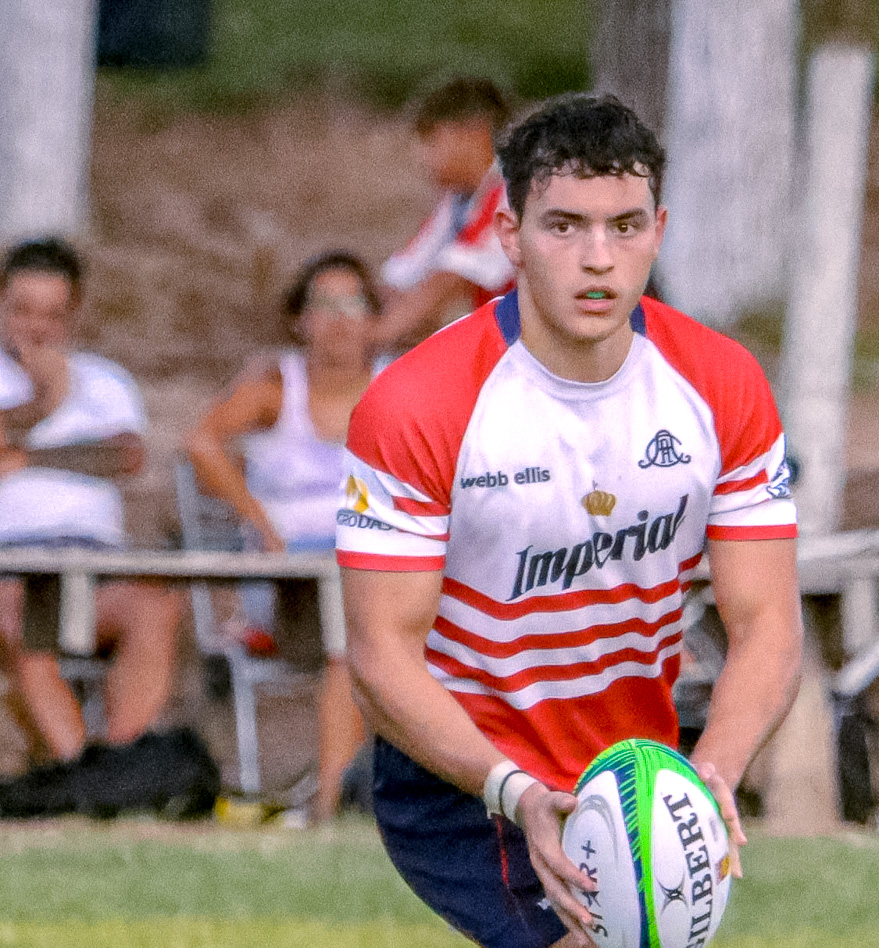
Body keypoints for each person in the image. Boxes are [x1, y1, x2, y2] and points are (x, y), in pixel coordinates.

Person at [340, 94, 802, 948]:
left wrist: (714, 776)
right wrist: (514, 795)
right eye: (562, 227)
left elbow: (766, 622)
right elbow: (377, 653)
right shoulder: (421, 402)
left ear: (656, 230)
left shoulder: (715, 386)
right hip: (469, 789)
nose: (595, 259)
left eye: (622, 227)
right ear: (507, 233)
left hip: (630, 780)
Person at [186, 253, 379, 821]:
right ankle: (327, 806)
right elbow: (202, 443)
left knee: (368, 622)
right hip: (291, 582)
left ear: (373, 318)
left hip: (371, 569)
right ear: (300, 319)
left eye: (354, 304)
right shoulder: (278, 387)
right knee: (358, 636)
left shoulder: (397, 384)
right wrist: (260, 523)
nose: (341, 320)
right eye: (325, 304)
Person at [0, 237, 180, 762]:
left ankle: (120, 765)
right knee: (19, 624)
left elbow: (123, 457)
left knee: (155, 609)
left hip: (95, 563)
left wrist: (25, 456)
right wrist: (43, 402)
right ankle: (79, 772)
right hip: (12, 565)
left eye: (53, 315)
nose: (37, 327)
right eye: (24, 310)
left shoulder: (104, 380)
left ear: (73, 316)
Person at [373, 78, 515, 351]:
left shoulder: (512, 192)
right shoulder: (457, 203)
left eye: (432, 140)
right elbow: (403, 275)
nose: (422, 156)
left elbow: (452, 277)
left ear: (474, 133)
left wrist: (375, 335)